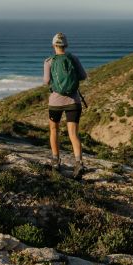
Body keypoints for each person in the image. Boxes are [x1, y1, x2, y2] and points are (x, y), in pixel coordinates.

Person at [43, 32, 88, 178]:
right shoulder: (74, 59)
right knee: (73, 134)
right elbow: (83, 76)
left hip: (55, 103)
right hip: (73, 101)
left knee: (54, 130)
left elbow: (46, 81)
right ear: (66, 45)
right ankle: (79, 163)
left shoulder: (49, 61)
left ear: (53, 45)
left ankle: (56, 162)